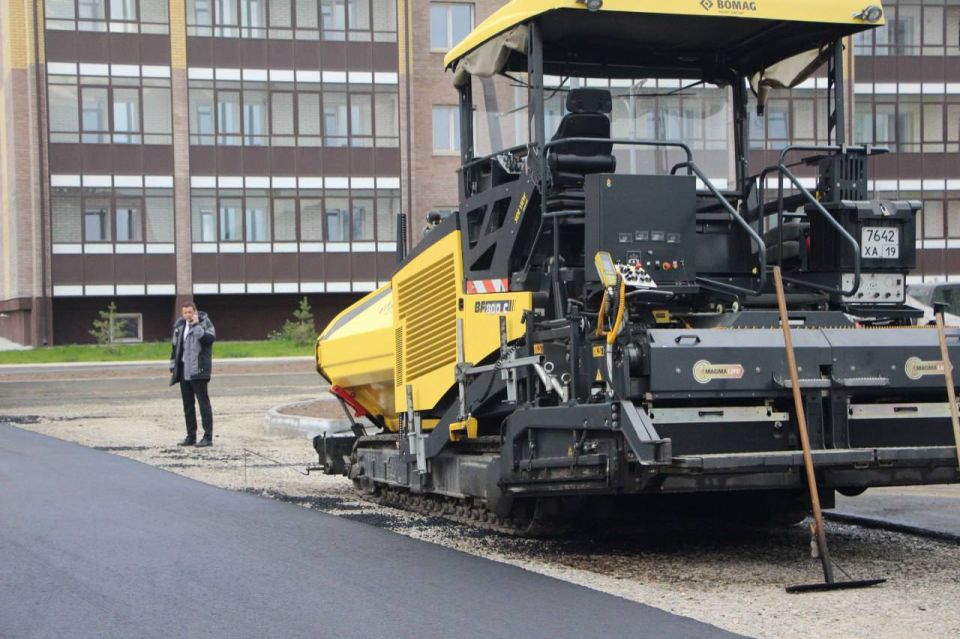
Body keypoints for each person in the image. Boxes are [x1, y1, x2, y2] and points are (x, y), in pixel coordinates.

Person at [169, 302, 216, 447]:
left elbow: (208, 340)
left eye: (190, 312)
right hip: (184, 370)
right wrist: (173, 365)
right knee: (188, 405)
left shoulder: (205, 323)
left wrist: (196, 326)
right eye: (185, 313)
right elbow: (175, 347)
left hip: (199, 370)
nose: (188, 315)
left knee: (203, 404)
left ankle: (207, 437)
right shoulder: (180, 326)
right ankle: (191, 436)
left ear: (195, 312)